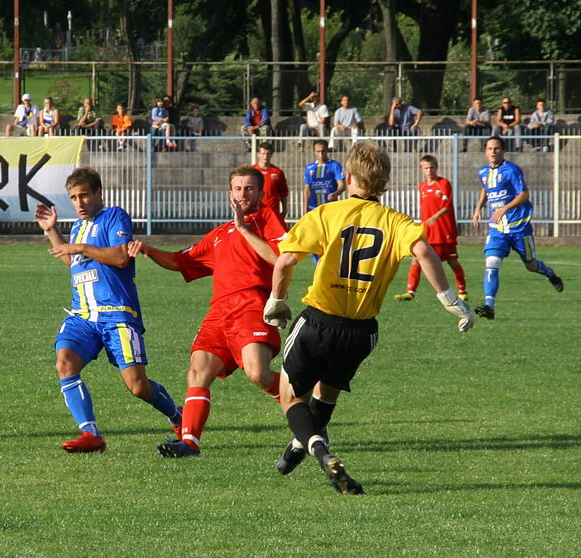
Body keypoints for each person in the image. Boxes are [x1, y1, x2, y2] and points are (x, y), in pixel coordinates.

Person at [263, 141, 474, 494]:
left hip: (319, 319)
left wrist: (276, 301)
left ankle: (317, 449)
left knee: (290, 396)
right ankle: (300, 445)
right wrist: (448, 297)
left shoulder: (327, 213)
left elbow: (284, 262)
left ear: (347, 177)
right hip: (361, 331)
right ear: (385, 181)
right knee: (327, 393)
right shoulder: (396, 222)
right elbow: (423, 251)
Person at [127, 165, 288, 458]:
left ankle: (301, 400)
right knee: (197, 372)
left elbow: (280, 257)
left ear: (261, 193)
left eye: (249, 188)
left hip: (251, 305)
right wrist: (149, 250)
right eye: (238, 188)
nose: (243, 194)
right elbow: (180, 261)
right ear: (230, 193)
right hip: (219, 314)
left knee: (258, 373)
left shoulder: (267, 218)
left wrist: (244, 229)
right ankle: (190, 443)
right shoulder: (218, 234)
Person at [34, 167, 182, 453]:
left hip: (117, 314)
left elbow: (120, 258)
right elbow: (74, 262)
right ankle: (91, 434)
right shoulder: (77, 227)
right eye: (74, 197)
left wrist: (79, 247)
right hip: (83, 316)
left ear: (98, 193)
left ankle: (178, 416)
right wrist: (53, 231)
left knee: (138, 387)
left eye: (85, 195)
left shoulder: (114, 216)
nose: (79, 203)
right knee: (65, 363)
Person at [471, 136, 564, 320]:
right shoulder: (483, 172)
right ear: (485, 151)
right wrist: (477, 208)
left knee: (531, 265)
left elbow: (524, 194)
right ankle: (489, 306)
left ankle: (549, 273)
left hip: (519, 227)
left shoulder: (511, 170)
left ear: (503, 150)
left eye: (497, 148)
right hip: (497, 229)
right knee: (491, 264)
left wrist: (505, 208)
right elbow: (486, 188)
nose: (493, 151)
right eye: (490, 148)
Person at [395, 154, 468, 302]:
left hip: (444, 232)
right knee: (416, 259)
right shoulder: (421, 187)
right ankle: (410, 292)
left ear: (437, 167)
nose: (429, 171)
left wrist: (435, 216)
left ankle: (462, 291)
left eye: (432, 167)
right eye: (426, 168)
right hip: (428, 232)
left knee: (452, 262)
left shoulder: (443, 183)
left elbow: (447, 206)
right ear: (422, 169)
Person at [254, 141, 289, 220]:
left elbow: (283, 193)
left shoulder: (277, 172)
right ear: (258, 154)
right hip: (255, 210)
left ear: (271, 154)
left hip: (272, 211)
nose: (265, 156)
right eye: (263, 154)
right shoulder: (252, 171)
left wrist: (284, 210)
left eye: (268, 154)